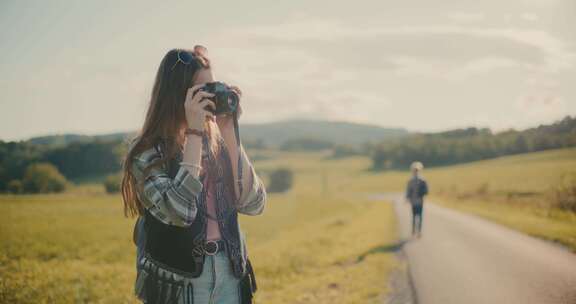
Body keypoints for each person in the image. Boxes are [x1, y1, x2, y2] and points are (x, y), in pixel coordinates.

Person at [120, 45, 267, 304]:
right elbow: (181, 212)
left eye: (213, 87)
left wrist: (230, 132)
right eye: (202, 90)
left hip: (231, 274)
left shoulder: (219, 142)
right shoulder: (146, 151)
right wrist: (195, 134)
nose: (211, 96)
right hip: (178, 284)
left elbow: (254, 203)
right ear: (177, 95)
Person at [405, 161, 428, 238]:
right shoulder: (410, 181)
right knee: (414, 216)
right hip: (413, 201)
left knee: (420, 216)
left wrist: (422, 194)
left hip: (420, 201)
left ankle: (419, 231)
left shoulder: (422, 180)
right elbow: (408, 190)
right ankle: (413, 231)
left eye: (417, 170)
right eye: (414, 170)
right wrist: (407, 198)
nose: (415, 172)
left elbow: (426, 190)